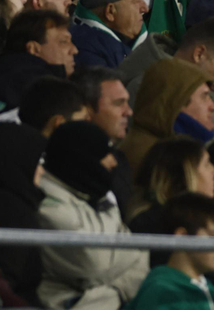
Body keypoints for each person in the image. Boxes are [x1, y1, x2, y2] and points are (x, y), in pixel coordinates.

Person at [34, 120, 149, 310]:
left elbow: (140, 254)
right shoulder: (49, 207)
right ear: (82, 158)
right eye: (104, 155)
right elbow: (94, 266)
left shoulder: (101, 196)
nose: (113, 162)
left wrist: (110, 291)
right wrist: (121, 287)